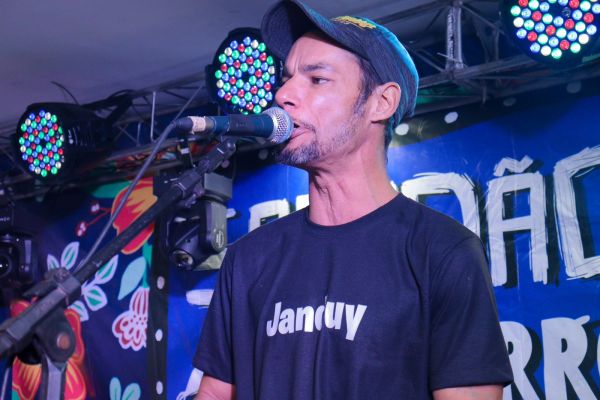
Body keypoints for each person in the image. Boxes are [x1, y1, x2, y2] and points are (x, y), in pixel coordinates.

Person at [194, 1, 513, 399]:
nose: (283, 94)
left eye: (317, 79)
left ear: (382, 103)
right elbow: (215, 392)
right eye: (287, 78)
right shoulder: (249, 258)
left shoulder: (441, 250)